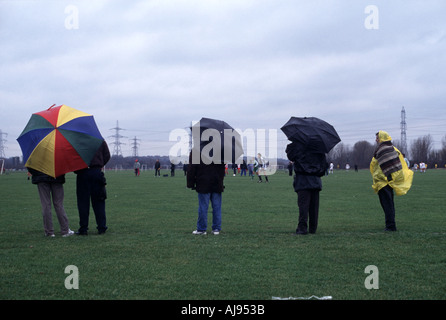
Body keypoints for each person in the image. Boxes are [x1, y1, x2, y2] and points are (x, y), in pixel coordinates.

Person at [370, 131, 413, 231]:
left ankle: (391, 226)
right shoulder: (392, 149)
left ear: (382, 138)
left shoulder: (383, 150)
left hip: (384, 182)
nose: (376, 140)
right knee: (389, 204)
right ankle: (390, 224)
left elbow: (388, 167)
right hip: (385, 181)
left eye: (377, 138)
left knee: (387, 204)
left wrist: (386, 178)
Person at [286, 142, 327, 235]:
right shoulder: (319, 148)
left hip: (303, 181)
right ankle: (313, 228)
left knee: (303, 206)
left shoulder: (298, 147)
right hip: (315, 181)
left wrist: (293, 144)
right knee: (314, 207)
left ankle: (302, 228)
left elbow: (290, 155)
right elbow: (323, 167)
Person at [75, 140, 110, 235]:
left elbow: (73, 158)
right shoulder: (99, 140)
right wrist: (99, 165)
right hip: (96, 172)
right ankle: (101, 227)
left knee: (83, 203)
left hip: (82, 173)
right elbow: (107, 155)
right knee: (99, 201)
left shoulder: (78, 141)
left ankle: (83, 228)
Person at [27, 168, 74, 237]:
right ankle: (65, 230)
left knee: (46, 205)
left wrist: (37, 174)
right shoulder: (57, 156)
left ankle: (49, 232)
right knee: (59, 204)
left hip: (41, 179)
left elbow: (30, 166)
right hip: (56, 178)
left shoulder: (36, 156)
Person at [187, 151, 225, 235]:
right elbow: (222, 167)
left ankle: (201, 229)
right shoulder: (220, 149)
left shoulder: (197, 150)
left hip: (203, 182)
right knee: (217, 207)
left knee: (203, 207)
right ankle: (216, 229)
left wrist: (190, 183)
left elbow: (191, 168)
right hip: (216, 182)